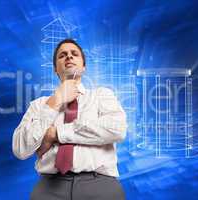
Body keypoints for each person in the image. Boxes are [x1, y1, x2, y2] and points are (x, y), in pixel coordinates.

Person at [12, 39, 127, 200]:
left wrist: (54, 133)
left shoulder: (102, 95)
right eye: (62, 55)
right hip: (49, 189)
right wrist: (54, 102)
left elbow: (117, 129)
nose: (69, 57)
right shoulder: (39, 105)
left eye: (74, 54)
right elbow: (20, 149)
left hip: (101, 187)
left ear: (84, 66)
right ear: (55, 69)